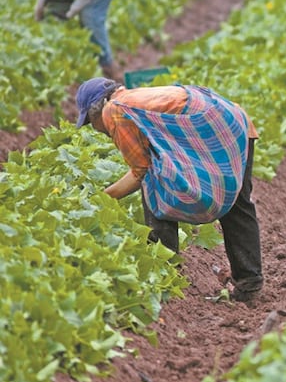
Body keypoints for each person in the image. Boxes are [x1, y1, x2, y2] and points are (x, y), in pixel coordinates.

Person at [74, 77, 264, 302]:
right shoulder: (134, 98)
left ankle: (164, 270)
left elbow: (140, 172)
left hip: (214, 127)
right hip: (234, 121)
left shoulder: (113, 111)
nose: (95, 129)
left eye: (90, 122)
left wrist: (102, 198)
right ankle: (249, 284)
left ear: (97, 109)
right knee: (237, 202)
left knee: (155, 187)